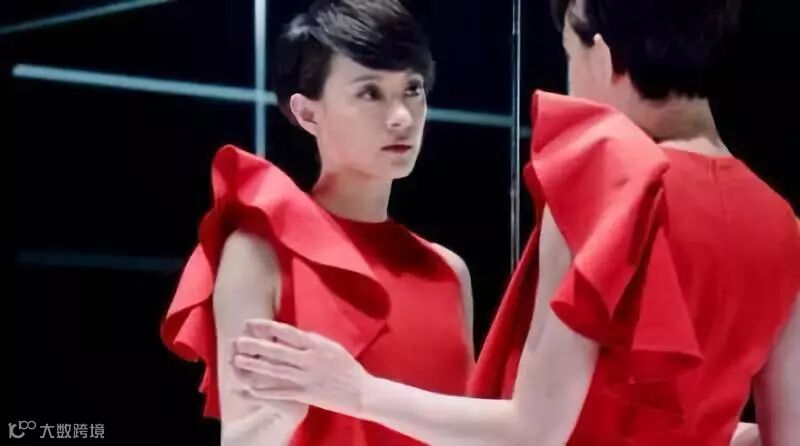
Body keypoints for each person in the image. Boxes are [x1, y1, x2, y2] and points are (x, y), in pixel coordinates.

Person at [230, 0, 800, 444]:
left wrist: (357, 392)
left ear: (601, 56)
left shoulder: (607, 177)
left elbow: (535, 431)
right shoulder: (780, 221)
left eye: (569, 55)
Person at [160, 1, 474, 444]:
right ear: (308, 113)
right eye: (370, 92)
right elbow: (242, 439)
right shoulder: (260, 254)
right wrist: (284, 415)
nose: (402, 116)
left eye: (413, 89)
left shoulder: (448, 272)